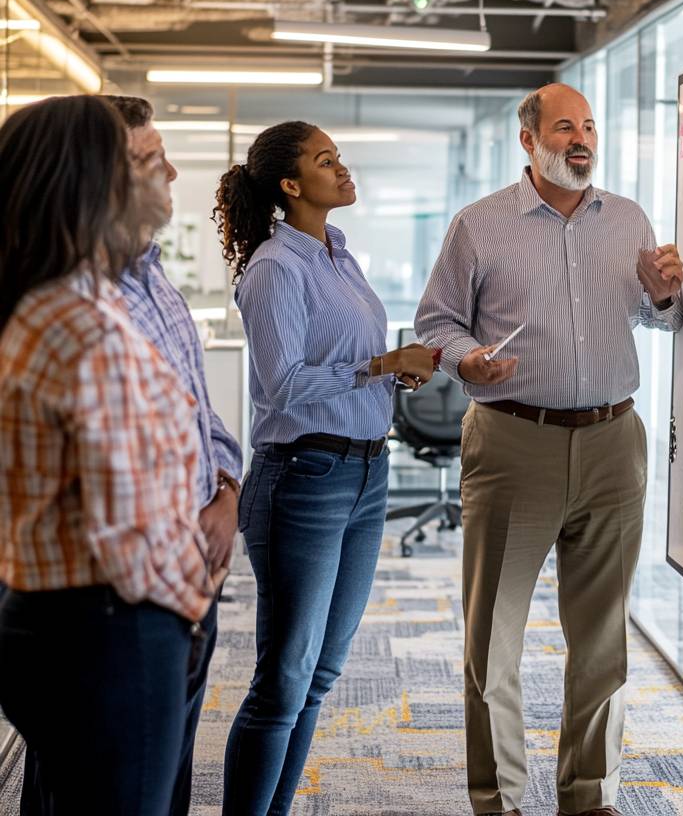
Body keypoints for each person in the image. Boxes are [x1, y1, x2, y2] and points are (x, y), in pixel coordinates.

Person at [415, 82, 683, 816]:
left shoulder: (627, 219)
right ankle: (497, 796)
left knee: (602, 637)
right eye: (565, 126)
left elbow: (659, 316)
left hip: (611, 442)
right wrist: (467, 359)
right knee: (493, 640)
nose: (582, 138)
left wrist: (663, 295)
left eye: (590, 126)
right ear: (529, 141)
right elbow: (435, 321)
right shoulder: (480, 225)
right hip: (513, 441)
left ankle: (589, 794)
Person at [214, 120, 436, 816]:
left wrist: (392, 379)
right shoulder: (276, 267)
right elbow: (283, 385)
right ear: (290, 185)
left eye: (339, 157)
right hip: (303, 479)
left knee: (319, 675)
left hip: (367, 474)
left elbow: (341, 368)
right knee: (282, 679)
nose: (342, 169)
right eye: (325, 160)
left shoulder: (338, 254)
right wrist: (378, 365)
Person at [0, 95, 215, 815]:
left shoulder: (61, 303)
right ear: (93, 184)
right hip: (113, 627)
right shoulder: (80, 326)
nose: (167, 174)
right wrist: (190, 603)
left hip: (81, 622)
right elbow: (127, 537)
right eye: (144, 162)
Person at [107, 95, 243, 813]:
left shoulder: (157, 279)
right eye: (151, 158)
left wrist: (225, 489)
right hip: (129, 593)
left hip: (195, 570)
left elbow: (203, 413)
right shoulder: (78, 300)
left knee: (168, 779)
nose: (173, 170)